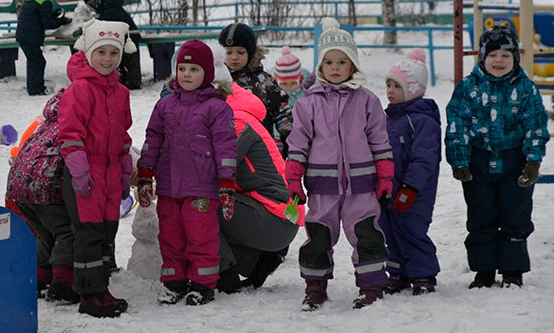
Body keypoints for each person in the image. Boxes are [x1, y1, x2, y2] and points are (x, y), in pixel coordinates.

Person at [285, 19, 393, 310]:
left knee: (367, 234)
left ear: (353, 66)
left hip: (361, 185)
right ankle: (315, 288)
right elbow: (297, 145)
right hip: (322, 187)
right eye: (328, 61)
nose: (335, 67)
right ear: (320, 67)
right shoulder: (307, 105)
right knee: (319, 237)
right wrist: (293, 179)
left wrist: (385, 176)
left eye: (341, 62)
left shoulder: (367, 101)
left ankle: (371, 287)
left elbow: (380, 141)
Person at [445, 25, 550, 289]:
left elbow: (536, 125)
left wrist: (533, 161)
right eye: (493, 55)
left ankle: (513, 270)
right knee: (481, 216)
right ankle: (484, 270)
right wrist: (459, 161)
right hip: (478, 161)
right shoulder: (468, 88)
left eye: (506, 55)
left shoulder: (525, 88)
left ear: (515, 57)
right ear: (482, 57)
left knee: (516, 215)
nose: (499, 61)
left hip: (515, 161)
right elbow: (457, 124)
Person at [137, 40, 237, 306]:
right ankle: (174, 282)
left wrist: (227, 182)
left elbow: (226, 147)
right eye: (182, 69)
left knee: (200, 235)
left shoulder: (217, 108)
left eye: (194, 69)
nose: (187, 75)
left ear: (207, 74)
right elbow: (153, 139)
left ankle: (203, 284)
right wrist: (145, 172)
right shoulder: (165, 106)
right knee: (170, 236)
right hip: (169, 186)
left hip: (201, 187)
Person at [58, 19, 137, 318]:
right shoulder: (80, 90)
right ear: (89, 52)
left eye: (113, 53)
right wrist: (78, 170)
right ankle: (91, 296)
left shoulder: (120, 93)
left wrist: (123, 166)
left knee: (107, 230)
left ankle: (100, 286)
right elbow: (69, 133)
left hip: (109, 171)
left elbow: (123, 134)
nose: (107, 59)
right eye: (101, 52)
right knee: (88, 233)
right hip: (84, 171)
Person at [218, 80, 303, 293]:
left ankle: (224, 274)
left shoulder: (235, 120)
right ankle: (257, 261)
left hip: (277, 218)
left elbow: (214, 170)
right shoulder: (234, 114)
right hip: (276, 212)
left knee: (200, 204)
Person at [6, 88, 79, 304]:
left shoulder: (47, 123)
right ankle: (63, 284)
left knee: (46, 233)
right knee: (67, 231)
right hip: (45, 186)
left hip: (18, 185)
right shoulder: (73, 125)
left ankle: (39, 279)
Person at [381, 49, 441, 296]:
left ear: (413, 89)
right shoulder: (387, 118)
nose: (390, 91)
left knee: (413, 231)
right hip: (389, 189)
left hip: (414, 193)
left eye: (397, 86)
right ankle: (398, 272)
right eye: (388, 85)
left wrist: (411, 188)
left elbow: (425, 158)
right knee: (390, 231)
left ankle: (423, 274)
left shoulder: (423, 121)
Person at [218, 23, 292, 153]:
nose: (234, 57)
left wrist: (289, 138)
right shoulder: (217, 80)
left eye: (240, 52)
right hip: (223, 148)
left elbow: (281, 111)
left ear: (251, 52)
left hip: (259, 149)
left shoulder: (263, 80)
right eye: (228, 52)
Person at [16, 0, 71, 96]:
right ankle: (36, 89)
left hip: (24, 35)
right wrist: (61, 21)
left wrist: (53, 14)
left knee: (34, 61)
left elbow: (39, 16)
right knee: (38, 62)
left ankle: (33, 87)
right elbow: (47, 23)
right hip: (30, 37)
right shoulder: (45, 1)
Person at [84, 0, 142, 90]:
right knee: (127, 62)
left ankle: (131, 82)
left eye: (90, 7)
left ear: (95, 3)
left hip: (129, 39)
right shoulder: (109, 7)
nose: (91, 10)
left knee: (129, 62)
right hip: (127, 38)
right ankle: (128, 81)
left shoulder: (109, 10)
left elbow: (103, 25)